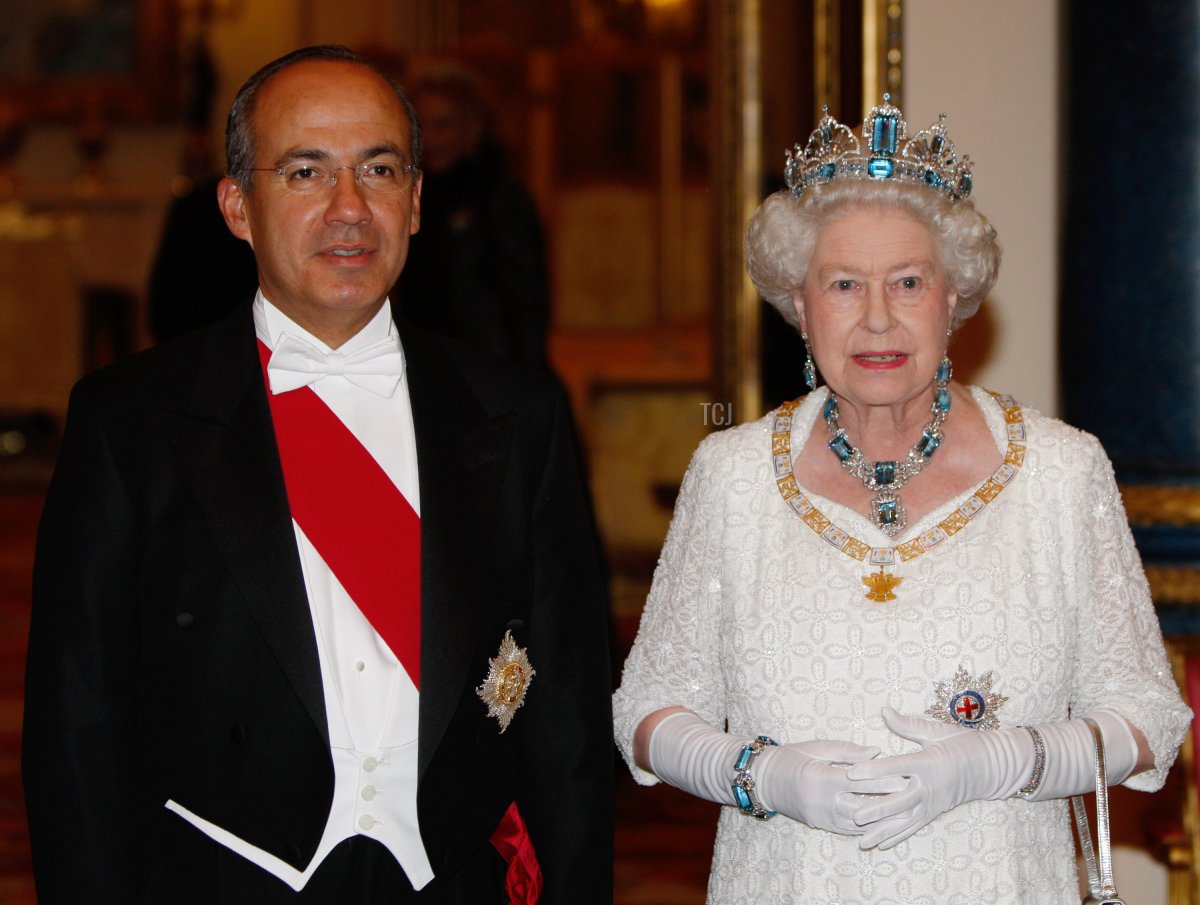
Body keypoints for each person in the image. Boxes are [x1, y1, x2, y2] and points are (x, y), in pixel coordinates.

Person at [23, 45, 613, 905]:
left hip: (451, 878)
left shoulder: (520, 416)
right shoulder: (131, 423)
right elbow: (78, 728)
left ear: (415, 202)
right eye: (305, 172)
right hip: (222, 880)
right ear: (236, 205)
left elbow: (568, 727)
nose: (349, 209)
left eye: (378, 170)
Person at [612, 98, 1192, 903]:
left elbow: (1147, 719)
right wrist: (760, 773)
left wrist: (1002, 759)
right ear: (799, 304)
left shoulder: (1063, 472)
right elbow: (647, 709)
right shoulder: (731, 474)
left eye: (909, 282)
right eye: (843, 284)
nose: (877, 318)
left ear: (953, 297)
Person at [394, 66, 549, 370]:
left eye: (444, 124)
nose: (432, 138)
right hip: (426, 362)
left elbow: (525, 303)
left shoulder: (499, 197)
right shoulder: (404, 194)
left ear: (473, 126)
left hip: (492, 365)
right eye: (421, 126)